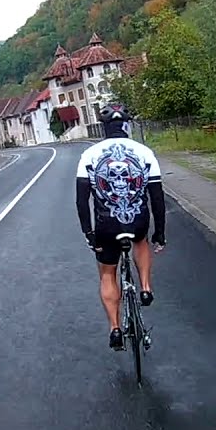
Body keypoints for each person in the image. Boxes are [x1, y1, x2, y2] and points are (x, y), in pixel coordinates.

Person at [76, 104, 166, 350]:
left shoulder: (89, 155)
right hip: (137, 220)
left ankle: (115, 328)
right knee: (141, 240)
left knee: (107, 273)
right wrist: (161, 232)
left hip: (106, 225)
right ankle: (145, 288)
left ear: (104, 128)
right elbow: (157, 197)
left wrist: (89, 233)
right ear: (126, 126)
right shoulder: (144, 152)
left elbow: (81, 200)